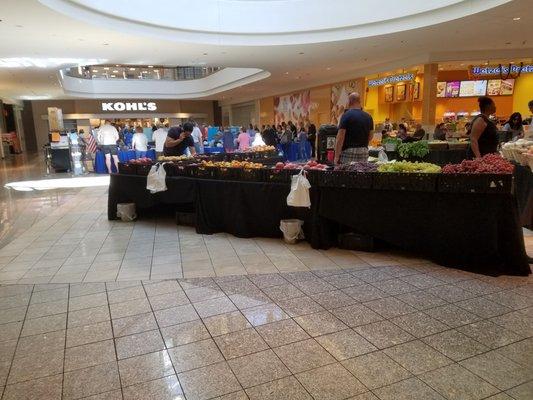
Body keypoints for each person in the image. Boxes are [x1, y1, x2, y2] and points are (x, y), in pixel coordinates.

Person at [334, 92, 374, 164]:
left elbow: (340, 137)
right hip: (364, 151)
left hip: (349, 151)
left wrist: (336, 156)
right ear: (359, 101)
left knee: (348, 173)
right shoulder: (368, 116)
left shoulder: (346, 115)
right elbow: (371, 136)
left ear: (349, 101)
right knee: (362, 173)